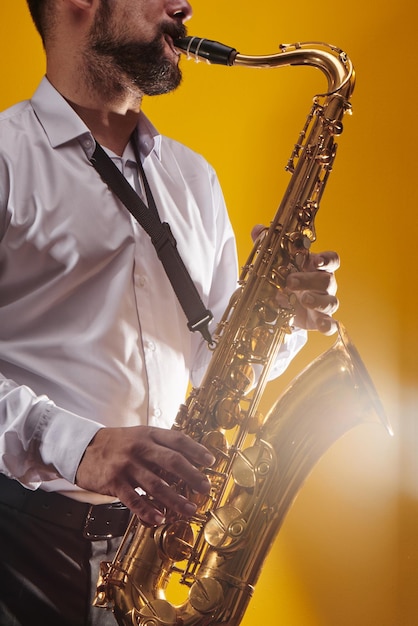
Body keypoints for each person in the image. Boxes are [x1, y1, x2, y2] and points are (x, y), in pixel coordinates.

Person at [0, 1, 340, 625]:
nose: (184, 5)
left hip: (151, 551)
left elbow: (213, 366)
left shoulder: (193, 177)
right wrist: (82, 445)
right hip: (20, 546)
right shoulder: (4, 159)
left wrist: (276, 318)